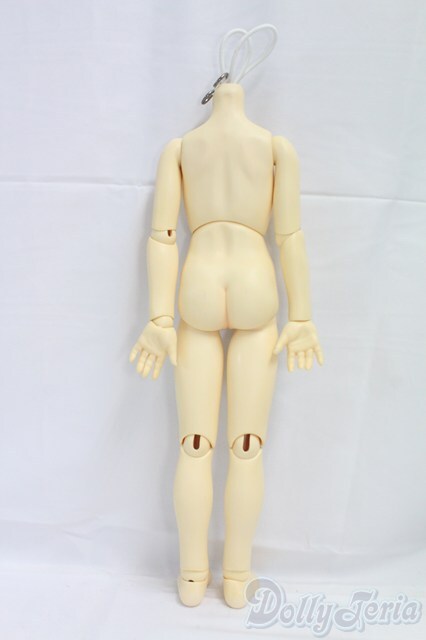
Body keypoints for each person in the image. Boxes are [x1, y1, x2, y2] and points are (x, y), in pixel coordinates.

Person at [130, 81, 323, 608]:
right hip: (255, 288)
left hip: (197, 288)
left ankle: (193, 574)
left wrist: (161, 316)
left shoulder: (181, 149)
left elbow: (163, 236)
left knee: (195, 445)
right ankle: (236, 574)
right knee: (247, 447)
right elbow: (290, 236)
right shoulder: (275, 148)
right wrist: (301, 313)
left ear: (212, 93)